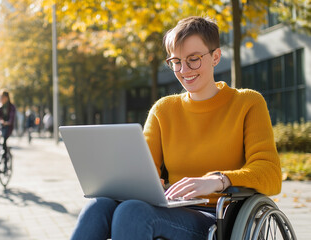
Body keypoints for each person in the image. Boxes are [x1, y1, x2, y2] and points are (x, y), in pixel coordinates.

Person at [71, 16, 281, 240]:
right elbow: (143, 171)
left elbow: (270, 173)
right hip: (170, 208)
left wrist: (217, 180)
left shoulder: (247, 103)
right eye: (176, 61)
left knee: (131, 213)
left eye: (193, 59)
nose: (184, 70)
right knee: (99, 206)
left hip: (219, 217)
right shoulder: (164, 110)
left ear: (215, 57)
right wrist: (147, 183)